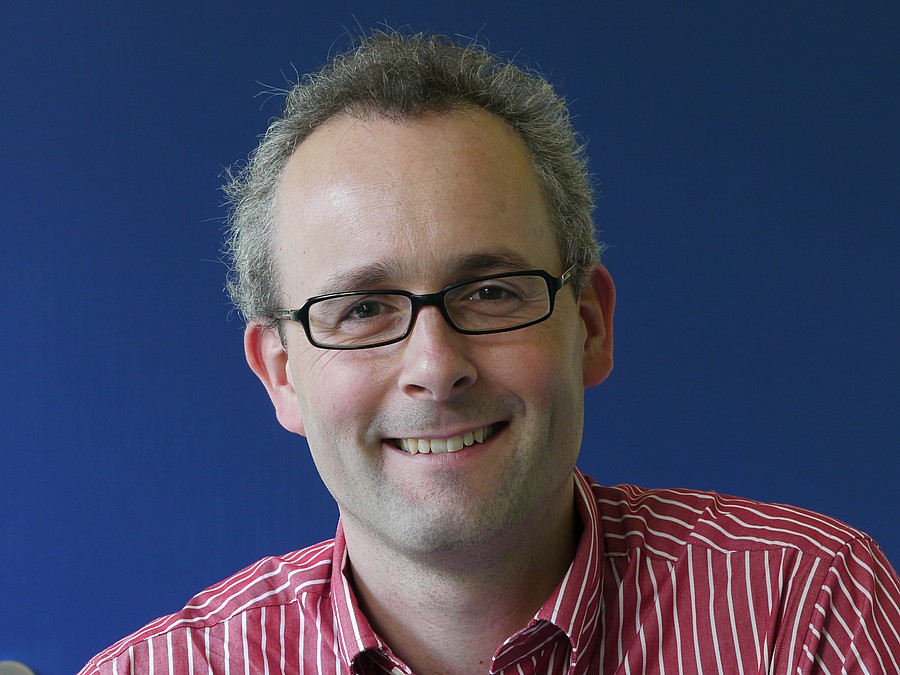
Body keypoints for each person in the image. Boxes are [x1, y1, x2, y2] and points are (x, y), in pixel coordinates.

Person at [80, 31, 900, 674]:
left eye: (492, 292)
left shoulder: (806, 610)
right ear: (281, 373)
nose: (436, 367)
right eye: (362, 309)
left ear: (590, 324)